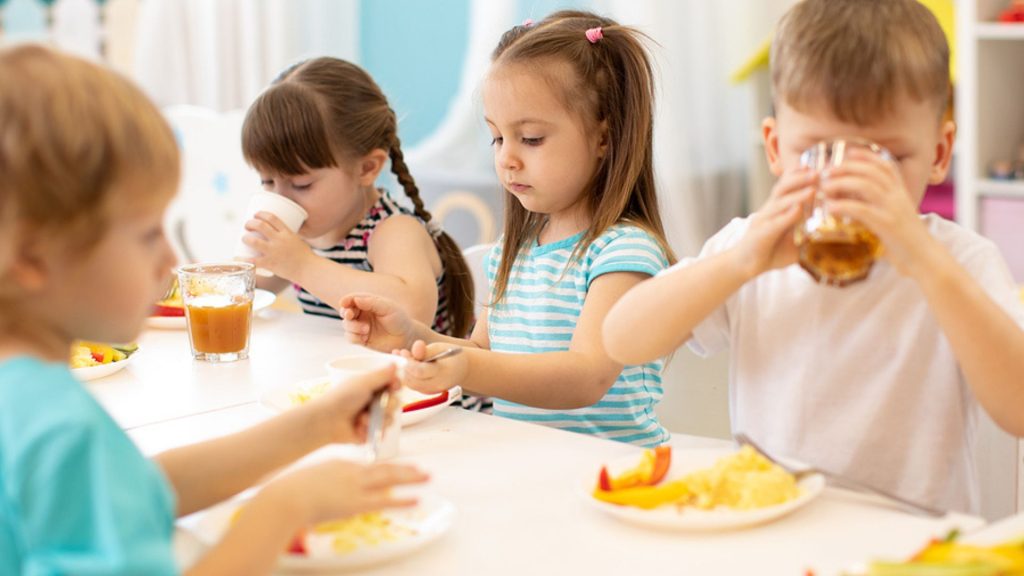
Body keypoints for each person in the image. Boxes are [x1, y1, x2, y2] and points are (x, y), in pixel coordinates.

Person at [0, 45, 427, 575]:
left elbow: (134, 490)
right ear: (32, 260)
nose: (170, 258)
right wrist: (284, 508)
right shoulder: (55, 428)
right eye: (146, 233)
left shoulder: (27, 400)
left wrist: (315, 424)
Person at [603, 0, 1024, 512]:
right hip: (773, 521)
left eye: (885, 158)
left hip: (907, 538)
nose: (845, 179)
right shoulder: (753, 250)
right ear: (776, 147)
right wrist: (740, 263)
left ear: (938, 154)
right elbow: (622, 339)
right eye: (817, 153)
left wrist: (924, 261)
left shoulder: (960, 261)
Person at [340, 11, 677, 448]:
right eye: (497, 138)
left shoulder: (624, 252)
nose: (506, 158)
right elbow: (484, 356)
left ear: (604, 138)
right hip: (528, 465)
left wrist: (465, 367)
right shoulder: (514, 252)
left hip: (613, 475)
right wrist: (411, 336)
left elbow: (587, 376)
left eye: (531, 138)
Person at [239, 57, 473, 340]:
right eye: (267, 181)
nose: (281, 197)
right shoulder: (305, 234)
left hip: (417, 379)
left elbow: (412, 310)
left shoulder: (392, 231)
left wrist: (302, 265)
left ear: (366, 168)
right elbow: (252, 285)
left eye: (301, 184)